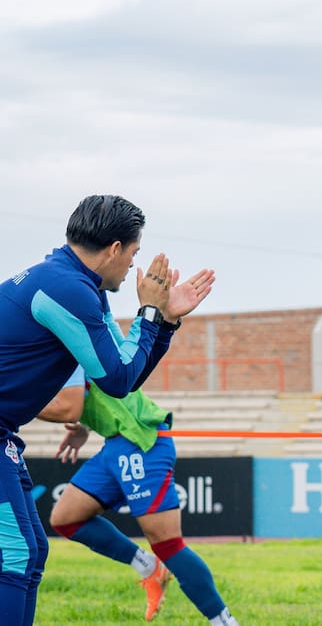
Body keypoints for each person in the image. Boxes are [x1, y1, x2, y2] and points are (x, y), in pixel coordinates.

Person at [0, 194, 214, 625]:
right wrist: (150, 312)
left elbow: (124, 374)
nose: (134, 267)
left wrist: (164, 319)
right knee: (17, 552)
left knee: (32, 550)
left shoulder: (73, 284)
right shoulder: (67, 289)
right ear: (115, 248)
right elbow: (116, 380)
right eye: (134, 254)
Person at [42, 367, 238, 624]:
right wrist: (85, 428)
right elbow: (93, 392)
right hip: (116, 442)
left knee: (166, 543)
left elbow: (70, 406)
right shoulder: (54, 342)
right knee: (66, 518)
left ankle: (224, 621)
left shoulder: (59, 337)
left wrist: (13, 405)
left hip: (139, 439)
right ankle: (148, 566)